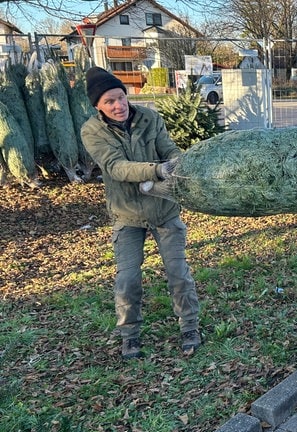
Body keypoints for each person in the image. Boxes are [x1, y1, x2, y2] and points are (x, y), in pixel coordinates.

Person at [80, 67, 202, 360]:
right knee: (128, 279)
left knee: (178, 273)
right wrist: (156, 170)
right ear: (98, 106)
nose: (118, 106)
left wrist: (177, 165)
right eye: (109, 101)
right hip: (127, 214)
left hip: (163, 209)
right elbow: (115, 167)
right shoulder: (92, 131)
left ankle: (190, 327)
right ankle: (130, 335)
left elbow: (169, 149)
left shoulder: (150, 117)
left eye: (120, 97)